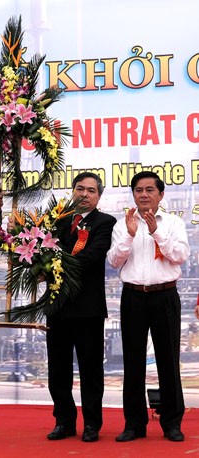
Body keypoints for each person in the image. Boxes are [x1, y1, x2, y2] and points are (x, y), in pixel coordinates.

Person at [107, 171, 190, 442]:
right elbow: (114, 262)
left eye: (150, 190)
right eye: (139, 190)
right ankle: (134, 424)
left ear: (160, 195)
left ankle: (172, 423)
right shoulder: (123, 225)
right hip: (133, 298)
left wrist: (156, 232)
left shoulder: (174, 223)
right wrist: (130, 236)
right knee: (132, 362)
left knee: (168, 361)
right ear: (133, 195)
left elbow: (179, 256)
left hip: (165, 296)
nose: (144, 194)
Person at [45, 172, 116, 442]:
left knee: (91, 371)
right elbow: (40, 250)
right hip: (57, 308)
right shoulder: (56, 220)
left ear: (99, 196)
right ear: (72, 191)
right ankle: (63, 422)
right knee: (58, 371)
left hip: (88, 310)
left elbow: (91, 256)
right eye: (80, 188)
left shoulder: (105, 222)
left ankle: (92, 424)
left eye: (91, 191)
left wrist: (52, 265)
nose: (84, 194)